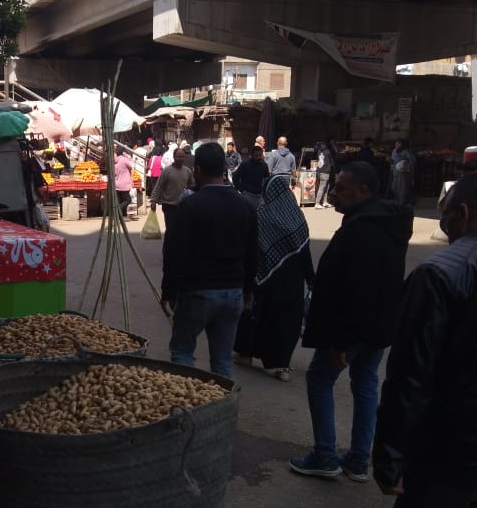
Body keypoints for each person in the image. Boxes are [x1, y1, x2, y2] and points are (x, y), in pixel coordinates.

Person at [372, 174, 477, 508]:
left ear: (461, 214)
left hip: (452, 443)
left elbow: (410, 375)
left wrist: (389, 454)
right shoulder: (443, 273)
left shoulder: (439, 273)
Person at [288, 161, 413, 480]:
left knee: (320, 378)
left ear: (363, 191)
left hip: (355, 328)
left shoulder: (364, 230)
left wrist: (341, 343)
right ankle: (358, 459)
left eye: (342, 188)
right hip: (378, 325)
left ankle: (325, 455)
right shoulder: (384, 222)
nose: (333, 193)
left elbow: (357, 290)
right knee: (366, 383)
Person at [160, 142, 257, 380]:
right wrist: (248, 289)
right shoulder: (245, 206)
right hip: (233, 292)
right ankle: (223, 402)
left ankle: (188, 399)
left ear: (198, 169)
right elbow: (253, 252)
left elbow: (173, 252)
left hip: (197, 291)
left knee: (183, 352)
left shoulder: (190, 205)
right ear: (223, 168)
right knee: (222, 361)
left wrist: (168, 290)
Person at [233, 175, 314, 381]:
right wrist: (311, 280)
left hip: (264, 278)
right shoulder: (298, 217)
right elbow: (305, 252)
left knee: (256, 316)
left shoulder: (262, 215)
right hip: (292, 282)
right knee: (285, 323)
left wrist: (246, 278)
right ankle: (281, 365)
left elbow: (251, 250)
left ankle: (245, 355)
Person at [150, 145, 195, 235]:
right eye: (178, 157)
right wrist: (153, 201)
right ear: (174, 157)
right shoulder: (166, 171)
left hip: (183, 206)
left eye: (182, 157)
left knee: (182, 230)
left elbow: (192, 185)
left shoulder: (187, 171)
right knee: (170, 230)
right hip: (169, 206)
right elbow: (158, 186)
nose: (181, 159)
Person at [232, 144, 270, 210]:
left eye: (260, 155)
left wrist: (264, 193)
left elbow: (267, 179)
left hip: (259, 195)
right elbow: (235, 176)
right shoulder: (245, 164)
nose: (258, 157)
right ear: (252, 155)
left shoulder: (264, 165)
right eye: (256, 155)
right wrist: (240, 189)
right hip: (247, 194)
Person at [389, 139, 416, 206]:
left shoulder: (406, 152)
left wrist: (406, 168)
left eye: (399, 143)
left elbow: (412, 161)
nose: (397, 145)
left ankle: (401, 204)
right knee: (394, 188)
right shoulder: (394, 151)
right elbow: (393, 160)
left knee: (402, 189)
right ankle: (398, 201)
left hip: (403, 174)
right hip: (395, 172)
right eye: (396, 143)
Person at [314, 137, 337, 208]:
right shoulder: (328, 152)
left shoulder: (319, 151)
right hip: (325, 171)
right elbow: (332, 162)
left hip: (319, 171)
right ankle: (317, 203)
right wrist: (334, 171)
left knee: (326, 187)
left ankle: (324, 202)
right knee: (322, 187)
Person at [113, 145, 133, 217]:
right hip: (124, 184)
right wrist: (127, 156)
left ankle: (123, 216)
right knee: (128, 200)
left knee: (121, 200)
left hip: (117, 183)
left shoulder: (114, 161)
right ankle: (118, 210)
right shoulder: (124, 160)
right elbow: (131, 166)